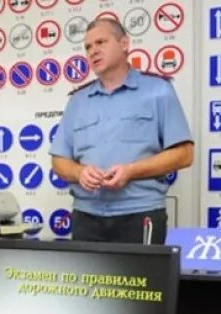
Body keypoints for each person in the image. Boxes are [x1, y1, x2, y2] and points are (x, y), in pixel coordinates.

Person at [51, 19, 194, 244]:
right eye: (88, 47)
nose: (93, 51)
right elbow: (59, 161)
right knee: (88, 281)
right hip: (87, 217)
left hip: (140, 214)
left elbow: (184, 154)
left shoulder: (158, 90)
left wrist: (131, 171)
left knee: (143, 280)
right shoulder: (78, 101)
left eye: (101, 42)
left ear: (124, 43)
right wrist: (80, 173)